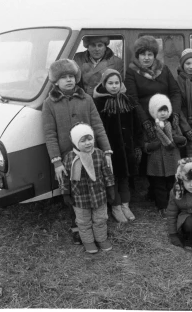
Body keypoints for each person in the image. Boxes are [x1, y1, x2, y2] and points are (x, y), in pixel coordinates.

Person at [42, 59, 113, 245]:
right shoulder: (49, 103)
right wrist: (57, 161)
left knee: (93, 186)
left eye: (71, 76)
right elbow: (49, 134)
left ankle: (98, 224)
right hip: (68, 157)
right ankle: (78, 226)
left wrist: (106, 151)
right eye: (63, 77)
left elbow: (98, 125)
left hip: (90, 154)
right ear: (55, 81)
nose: (68, 80)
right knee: (73, 190)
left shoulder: (86, 99)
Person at [125, 35, 182, 203]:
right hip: (144, 119)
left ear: (155, 55)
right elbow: (133, 99)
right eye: (143, 54)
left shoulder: (163, 69)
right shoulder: (132, 72)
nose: (146, 58)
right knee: (151, 154)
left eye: (150, 54)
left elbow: (175, 92)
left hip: (166, 116)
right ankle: (154, 188)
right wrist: (145, 123)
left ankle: (170, 186)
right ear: (137, 55)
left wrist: (175, 114)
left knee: (171, 150)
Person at [93, 68, 140, 222]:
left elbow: (136, 124)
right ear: (104, 84)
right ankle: (116, 206)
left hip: (126, 147)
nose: (114, 86)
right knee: (112, 179)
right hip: (110, 149)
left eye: (117, 83)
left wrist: (136, 144)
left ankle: (126, 205)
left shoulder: (127, 100)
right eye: (110, 83)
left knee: (125, 178)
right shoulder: (99, 103)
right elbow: (97, 128)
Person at [61, 123, 116, 254]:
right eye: (83, 140)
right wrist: (65, 193)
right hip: (80, 198)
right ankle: (88, 241)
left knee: (100, 219)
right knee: (83, 221)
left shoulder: (99, 154)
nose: (87, 143)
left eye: (90, 139)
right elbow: (64, 177)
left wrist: (111, 189)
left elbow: (107, 173)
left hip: (99, 196)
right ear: (75, 142)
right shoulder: (69, 158)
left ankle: (101, 239)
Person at [144, 94, 186, 218]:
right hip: (157, 162)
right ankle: (162, 206)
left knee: (172, 184)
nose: (163, 113)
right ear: (153, 112)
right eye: (159, 110)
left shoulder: (173, 124)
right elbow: (144, 143)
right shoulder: (151, 127)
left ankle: (174, 204)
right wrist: (151, 146)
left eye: (165, 110)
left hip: (172, 160)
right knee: (159, 185)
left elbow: (183, 139)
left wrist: (177, 139)